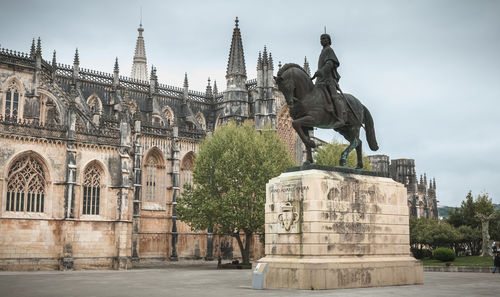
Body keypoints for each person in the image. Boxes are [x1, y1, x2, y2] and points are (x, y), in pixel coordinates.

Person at [313, 33, 346, 129]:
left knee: (334, 96)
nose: (322, 40)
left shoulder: (329, 50)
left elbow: (330, 63)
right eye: (321, 39)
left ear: (328, 40)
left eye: (324, 38)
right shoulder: (322, 51)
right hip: (320, 80)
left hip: (328, 79)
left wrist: (321, 71)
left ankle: (340, 119)